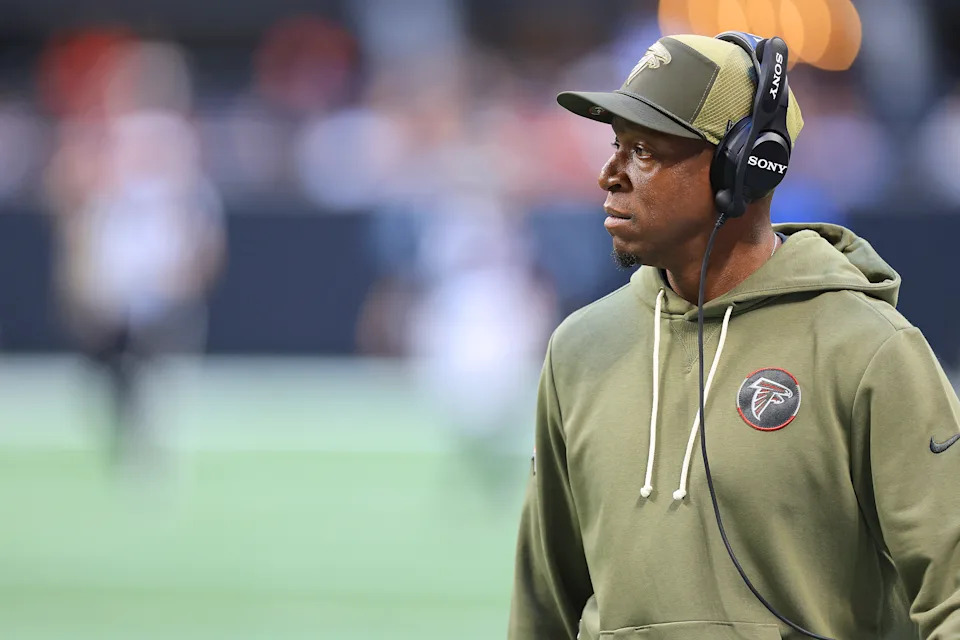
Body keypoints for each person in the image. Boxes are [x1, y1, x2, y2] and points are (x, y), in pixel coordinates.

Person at [509, 33, 960, 640]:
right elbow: (545, 607)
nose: (608, 176)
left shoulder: (869, 350)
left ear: (744, 168)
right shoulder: (578, 348)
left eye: (644, 151)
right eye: (617, 146)